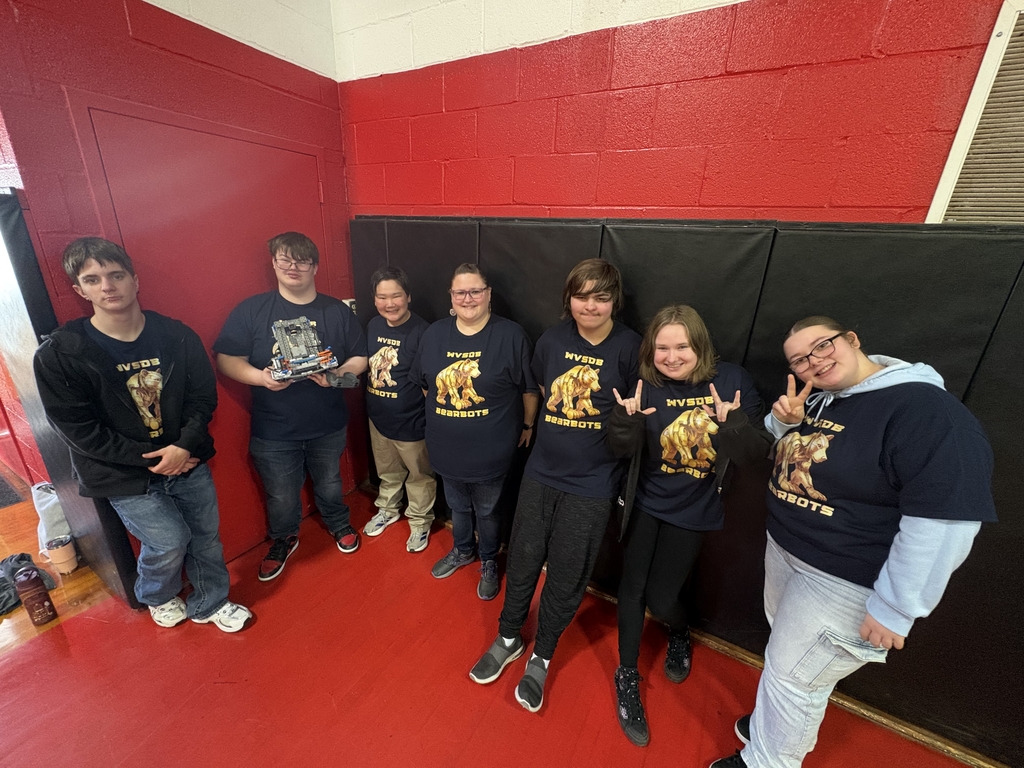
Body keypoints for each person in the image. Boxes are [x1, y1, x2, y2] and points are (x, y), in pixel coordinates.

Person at [710, 316, 996, 768]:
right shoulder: (823, 400)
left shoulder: (927, 412)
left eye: (822, 346)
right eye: (800, 360)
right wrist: (784, 423)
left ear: (852, 340)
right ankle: (776, 726)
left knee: (793, 678)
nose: (814, 362)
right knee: (795, 671)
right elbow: (774, 450)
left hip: (844, 577)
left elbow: (945, 522)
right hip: (789, 554)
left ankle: (767, 760)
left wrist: (898, 607)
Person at [33, 237, 251, 632]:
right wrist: (154, 457)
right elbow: (78, 430)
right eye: (93, 279)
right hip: (123, 474)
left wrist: (183, 445)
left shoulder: (176, 336)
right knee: (168, 540)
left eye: (116, 275)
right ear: (80, 290)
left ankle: (211, 601)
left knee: (205, 537)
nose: (107, 286)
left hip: (187, 459)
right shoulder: (61, 354)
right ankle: (157, 594)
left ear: (135, 281)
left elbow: (202, 398)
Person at [469, 258, 641, 713]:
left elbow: (635, 418)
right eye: (582, 296)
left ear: (614, 301)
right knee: (522, 558)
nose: (591, 305)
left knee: (567, 573)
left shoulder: (629, 349)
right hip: (541, 474)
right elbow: (544, 390)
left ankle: (542, 655)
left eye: (601, 297)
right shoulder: (551, 340)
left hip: (592, 484)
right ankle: (508, 637)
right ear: (569, 299)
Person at [607, 305, 770, 747]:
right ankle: (626, 675)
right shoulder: (644, 384)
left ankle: (679, 631)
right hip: (644, 503)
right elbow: (621, 449)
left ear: (700, 346)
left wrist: (732, 422)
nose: (672, 356)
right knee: (632, 588)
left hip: (694, 509)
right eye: (662, 347)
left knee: (662, 599)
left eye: (682, 346)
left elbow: (756, 455)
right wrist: (625, 423)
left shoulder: (730, 381)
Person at [214, 232, 367, 582]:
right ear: (273, 263)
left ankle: (338, 522)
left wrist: (338, 374)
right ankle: (283, 538)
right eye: (285, 259)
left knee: (330, 482)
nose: (293, 267)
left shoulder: (336, 310)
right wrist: (260, 378)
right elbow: (226, 358)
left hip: (328, 422)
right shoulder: (252, 310)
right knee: (281, 495)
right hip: (274, 428)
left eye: (301, 260)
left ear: (314, 266)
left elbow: (361, 356)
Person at [410, 264, 538, 599]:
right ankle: (463, 549)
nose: (468, 298)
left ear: (488, 294)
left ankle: (489, 560)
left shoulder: (510, 335)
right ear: (451, 297)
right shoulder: (435, 334)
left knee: (487, 509)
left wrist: (527, 425)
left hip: (491, 450)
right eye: (460, 292)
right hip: (445, 448)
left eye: (475, 291)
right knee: (457, 506)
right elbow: (427, 386)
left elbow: (528, 389)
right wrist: (449, 415)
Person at [362, 266, 436, 552]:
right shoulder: (373, 325)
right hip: (378, 417)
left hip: (412, 421)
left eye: (396, 296)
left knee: (419, 475)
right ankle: (388, 509)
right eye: (382, 297)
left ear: (408, 297)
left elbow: (427, 382)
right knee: (387, 471)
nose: (389, 304)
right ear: (374, 299)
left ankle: (419, 522)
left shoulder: (423, 331)